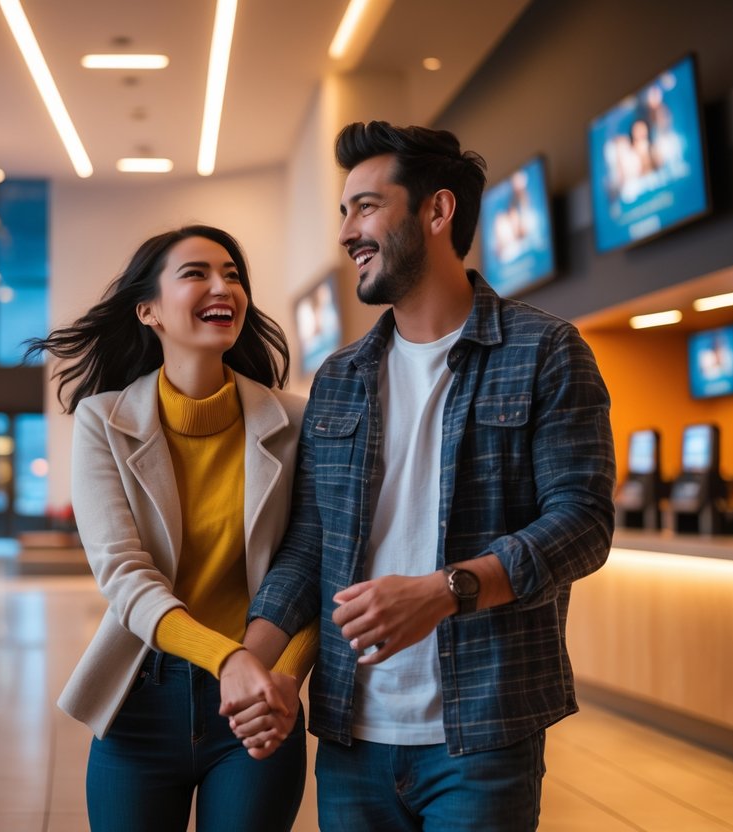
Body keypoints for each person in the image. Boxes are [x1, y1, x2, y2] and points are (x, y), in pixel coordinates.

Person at [240, 122, 616, 830]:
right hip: (352, 732)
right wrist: (253, 660)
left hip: (483, 732)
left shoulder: (545, 351)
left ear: (436, 212)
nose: (348, 232)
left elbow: (583, 525)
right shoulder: (340, 378)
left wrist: (446, 592)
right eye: (344, 212)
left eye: (365, 207)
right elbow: (309, 544)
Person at [25, 224, 318, 831]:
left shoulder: (294, 421)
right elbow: (124, 575)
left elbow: (318, 563)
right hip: (141, 700)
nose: (224, 287)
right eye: (197, 273)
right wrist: (226, 658)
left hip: (257, 702)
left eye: (233, 274)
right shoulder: (102, 420)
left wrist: (284, 676)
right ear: (148, 310)